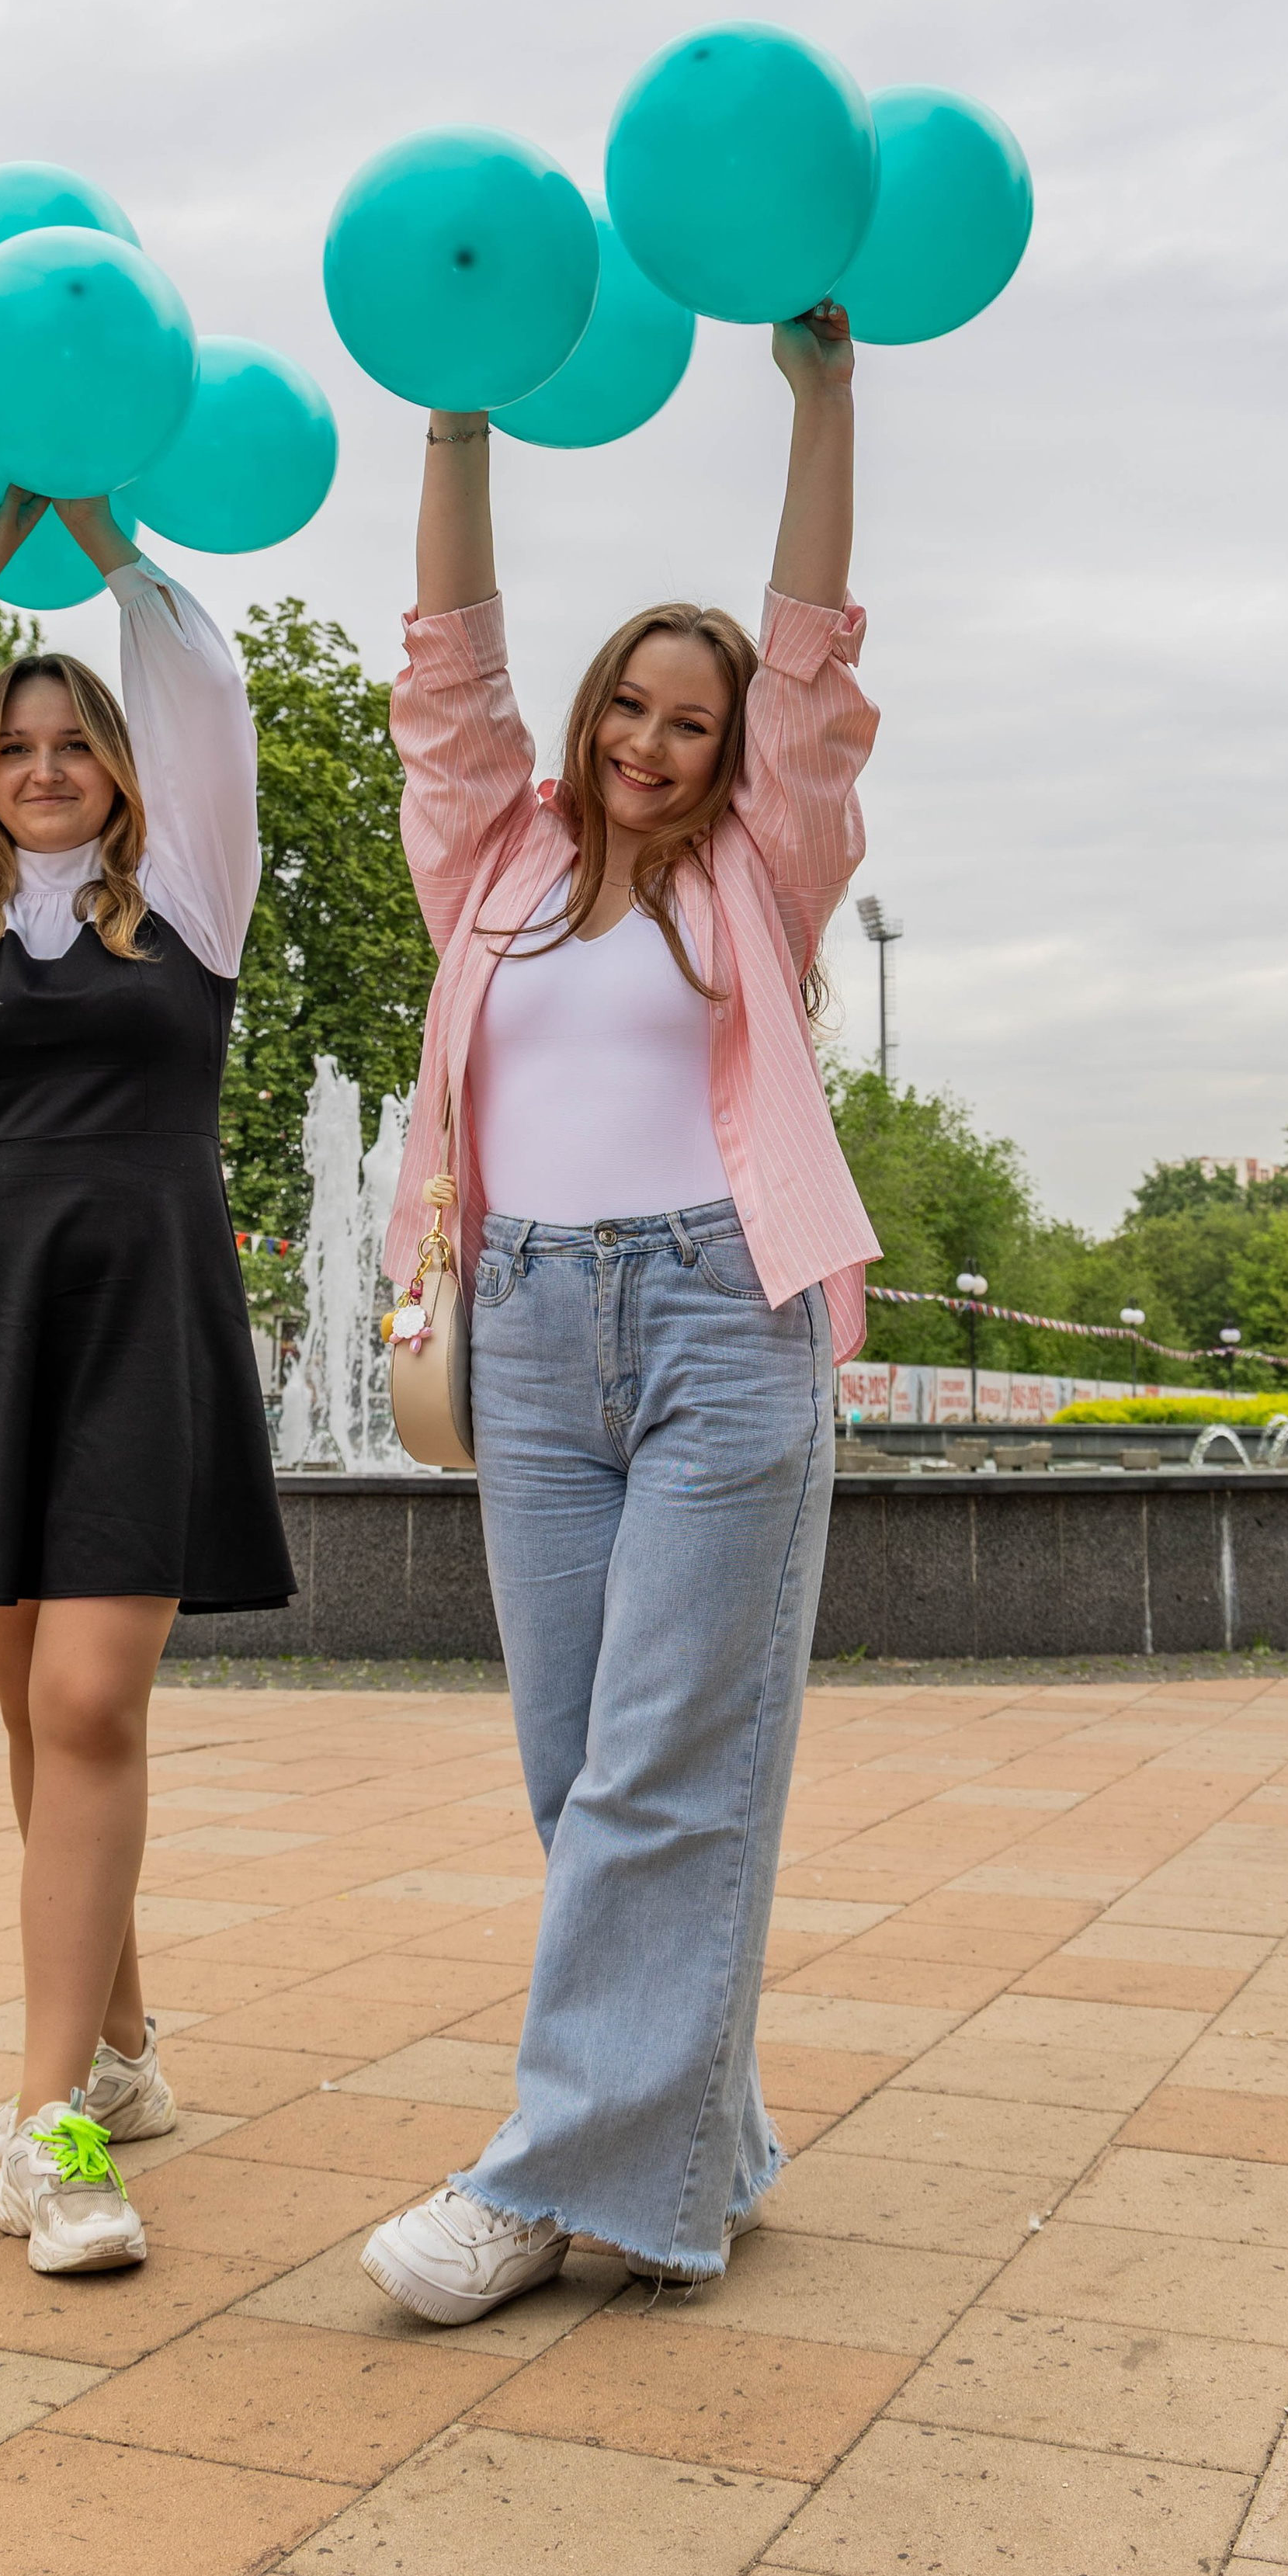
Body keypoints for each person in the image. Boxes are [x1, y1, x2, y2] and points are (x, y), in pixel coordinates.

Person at [361, 307, 880, 2321]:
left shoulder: (770, 860)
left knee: (667, 1756)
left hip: (717, 1323)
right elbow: (441, 674)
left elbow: (820, 647)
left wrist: (826, 398)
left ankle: (540, 2178)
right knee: (579, 1772)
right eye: (631, 710)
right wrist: (454, 423)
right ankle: (703, 2139)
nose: (655, 742)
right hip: (525, 1329)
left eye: (695, 717)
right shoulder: (493, 855)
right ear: (587, 720)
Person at [0, 487, 291, 2276]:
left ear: (115, 767)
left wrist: (92, 534)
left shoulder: (193, 888)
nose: (39, 763)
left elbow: (198, 684)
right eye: (12, 742)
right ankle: (120, 2045)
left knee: (91, 1701)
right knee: (41, 1716)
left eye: (69, 739)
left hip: (141, 1309)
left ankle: (60, 2131)